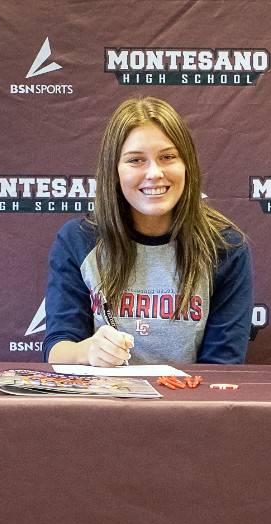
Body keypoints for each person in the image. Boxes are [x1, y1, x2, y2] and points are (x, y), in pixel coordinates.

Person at [43, 96, 253, 366]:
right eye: (136, 160)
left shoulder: (225, 246)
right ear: (114, 171)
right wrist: (88, 351)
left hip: (189, 404)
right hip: (100, 403)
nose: (154, 173)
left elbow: (223, 365)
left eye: (168, 157)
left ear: (187, 165)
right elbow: (57, 348)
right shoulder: (78, 239)